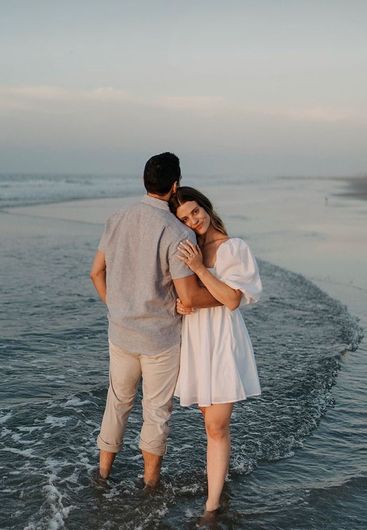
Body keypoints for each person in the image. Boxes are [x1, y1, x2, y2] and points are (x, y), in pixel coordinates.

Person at [90, 153, 220, 488]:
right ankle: (149, 486)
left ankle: (103, 474)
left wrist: (118, 308)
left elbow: (95, 273)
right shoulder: (178, 232)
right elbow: (189, 297)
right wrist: (229, 296)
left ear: (145, 182)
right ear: (175, 185)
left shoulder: (117, 217)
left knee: (117, 402)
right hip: (160, 339)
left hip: (120, 333)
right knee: (156, 411)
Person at [169, 186, 262, 517]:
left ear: (205, 207)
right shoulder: (190, 247)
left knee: (217, 426)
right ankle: (220, 476)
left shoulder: (233, 248)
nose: (194, 220)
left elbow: (233, 299)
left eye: (195, 211)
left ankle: (212, 505)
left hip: (222, 339)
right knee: (211, 424)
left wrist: (199, 270)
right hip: (196, 339)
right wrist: (182, 305)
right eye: (185, 218)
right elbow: (190, 295)